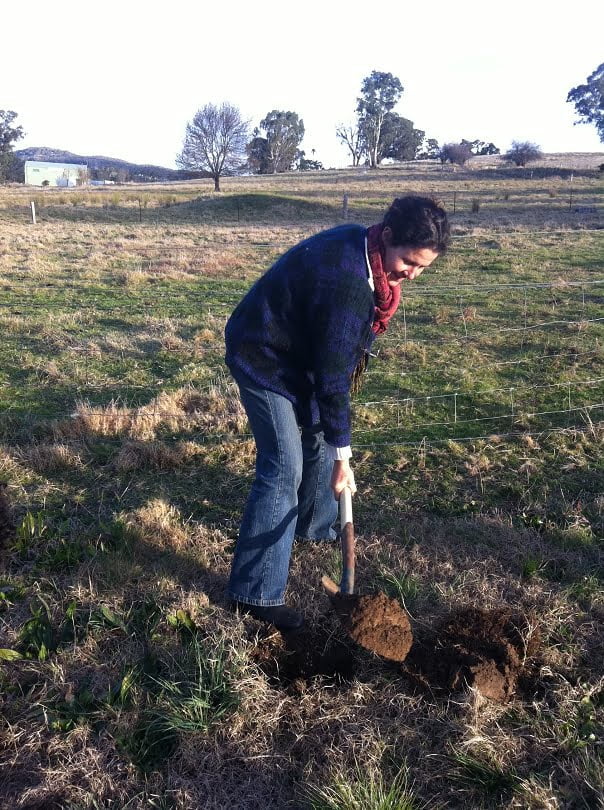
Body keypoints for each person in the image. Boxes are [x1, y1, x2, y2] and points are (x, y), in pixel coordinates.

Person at [224, 195, 450, 631]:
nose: (413, 275)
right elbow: (333, 378)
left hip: (297, 353)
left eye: (423, 267)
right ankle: (255, 594)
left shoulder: (366, 252)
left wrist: (335, 445)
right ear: (386, 237)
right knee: (283, 465)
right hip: (263, 354)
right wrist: (343, 457)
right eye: (408, 262)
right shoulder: (350, 282)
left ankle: (314, 526)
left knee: (316, 435)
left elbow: (334, 367)